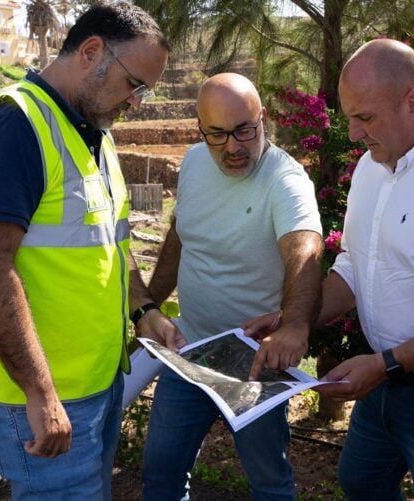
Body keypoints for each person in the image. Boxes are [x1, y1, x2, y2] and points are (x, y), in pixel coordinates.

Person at [246, 38, 414, 500]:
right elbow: (354, 268)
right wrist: (293, 322)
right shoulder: (369, 167)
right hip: (382, 379)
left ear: (413, 102)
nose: (354, 133)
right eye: (349, 118)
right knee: (361, 482)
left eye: (365, 117)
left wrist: (385, 364)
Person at [0, 3, 169, 499]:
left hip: (92, 386)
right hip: (35, 395)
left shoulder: (92, 133)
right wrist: (39, 393)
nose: (136, 102)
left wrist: (143, 309)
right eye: (134, 84)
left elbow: (109, 244)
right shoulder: (11, 126)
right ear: (91, 52)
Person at [132, 72, 323, 500]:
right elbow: (181, 235)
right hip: (191, 350)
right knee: (160, 474)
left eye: (244, 130)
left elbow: (305, 251)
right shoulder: (195, 161)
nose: (233, 147)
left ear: (263, 119)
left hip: (253, 365)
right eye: (217, 134)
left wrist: (294, 326)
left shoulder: (284, 179)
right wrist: (150, 304)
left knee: (269, 483)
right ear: (200, 129)